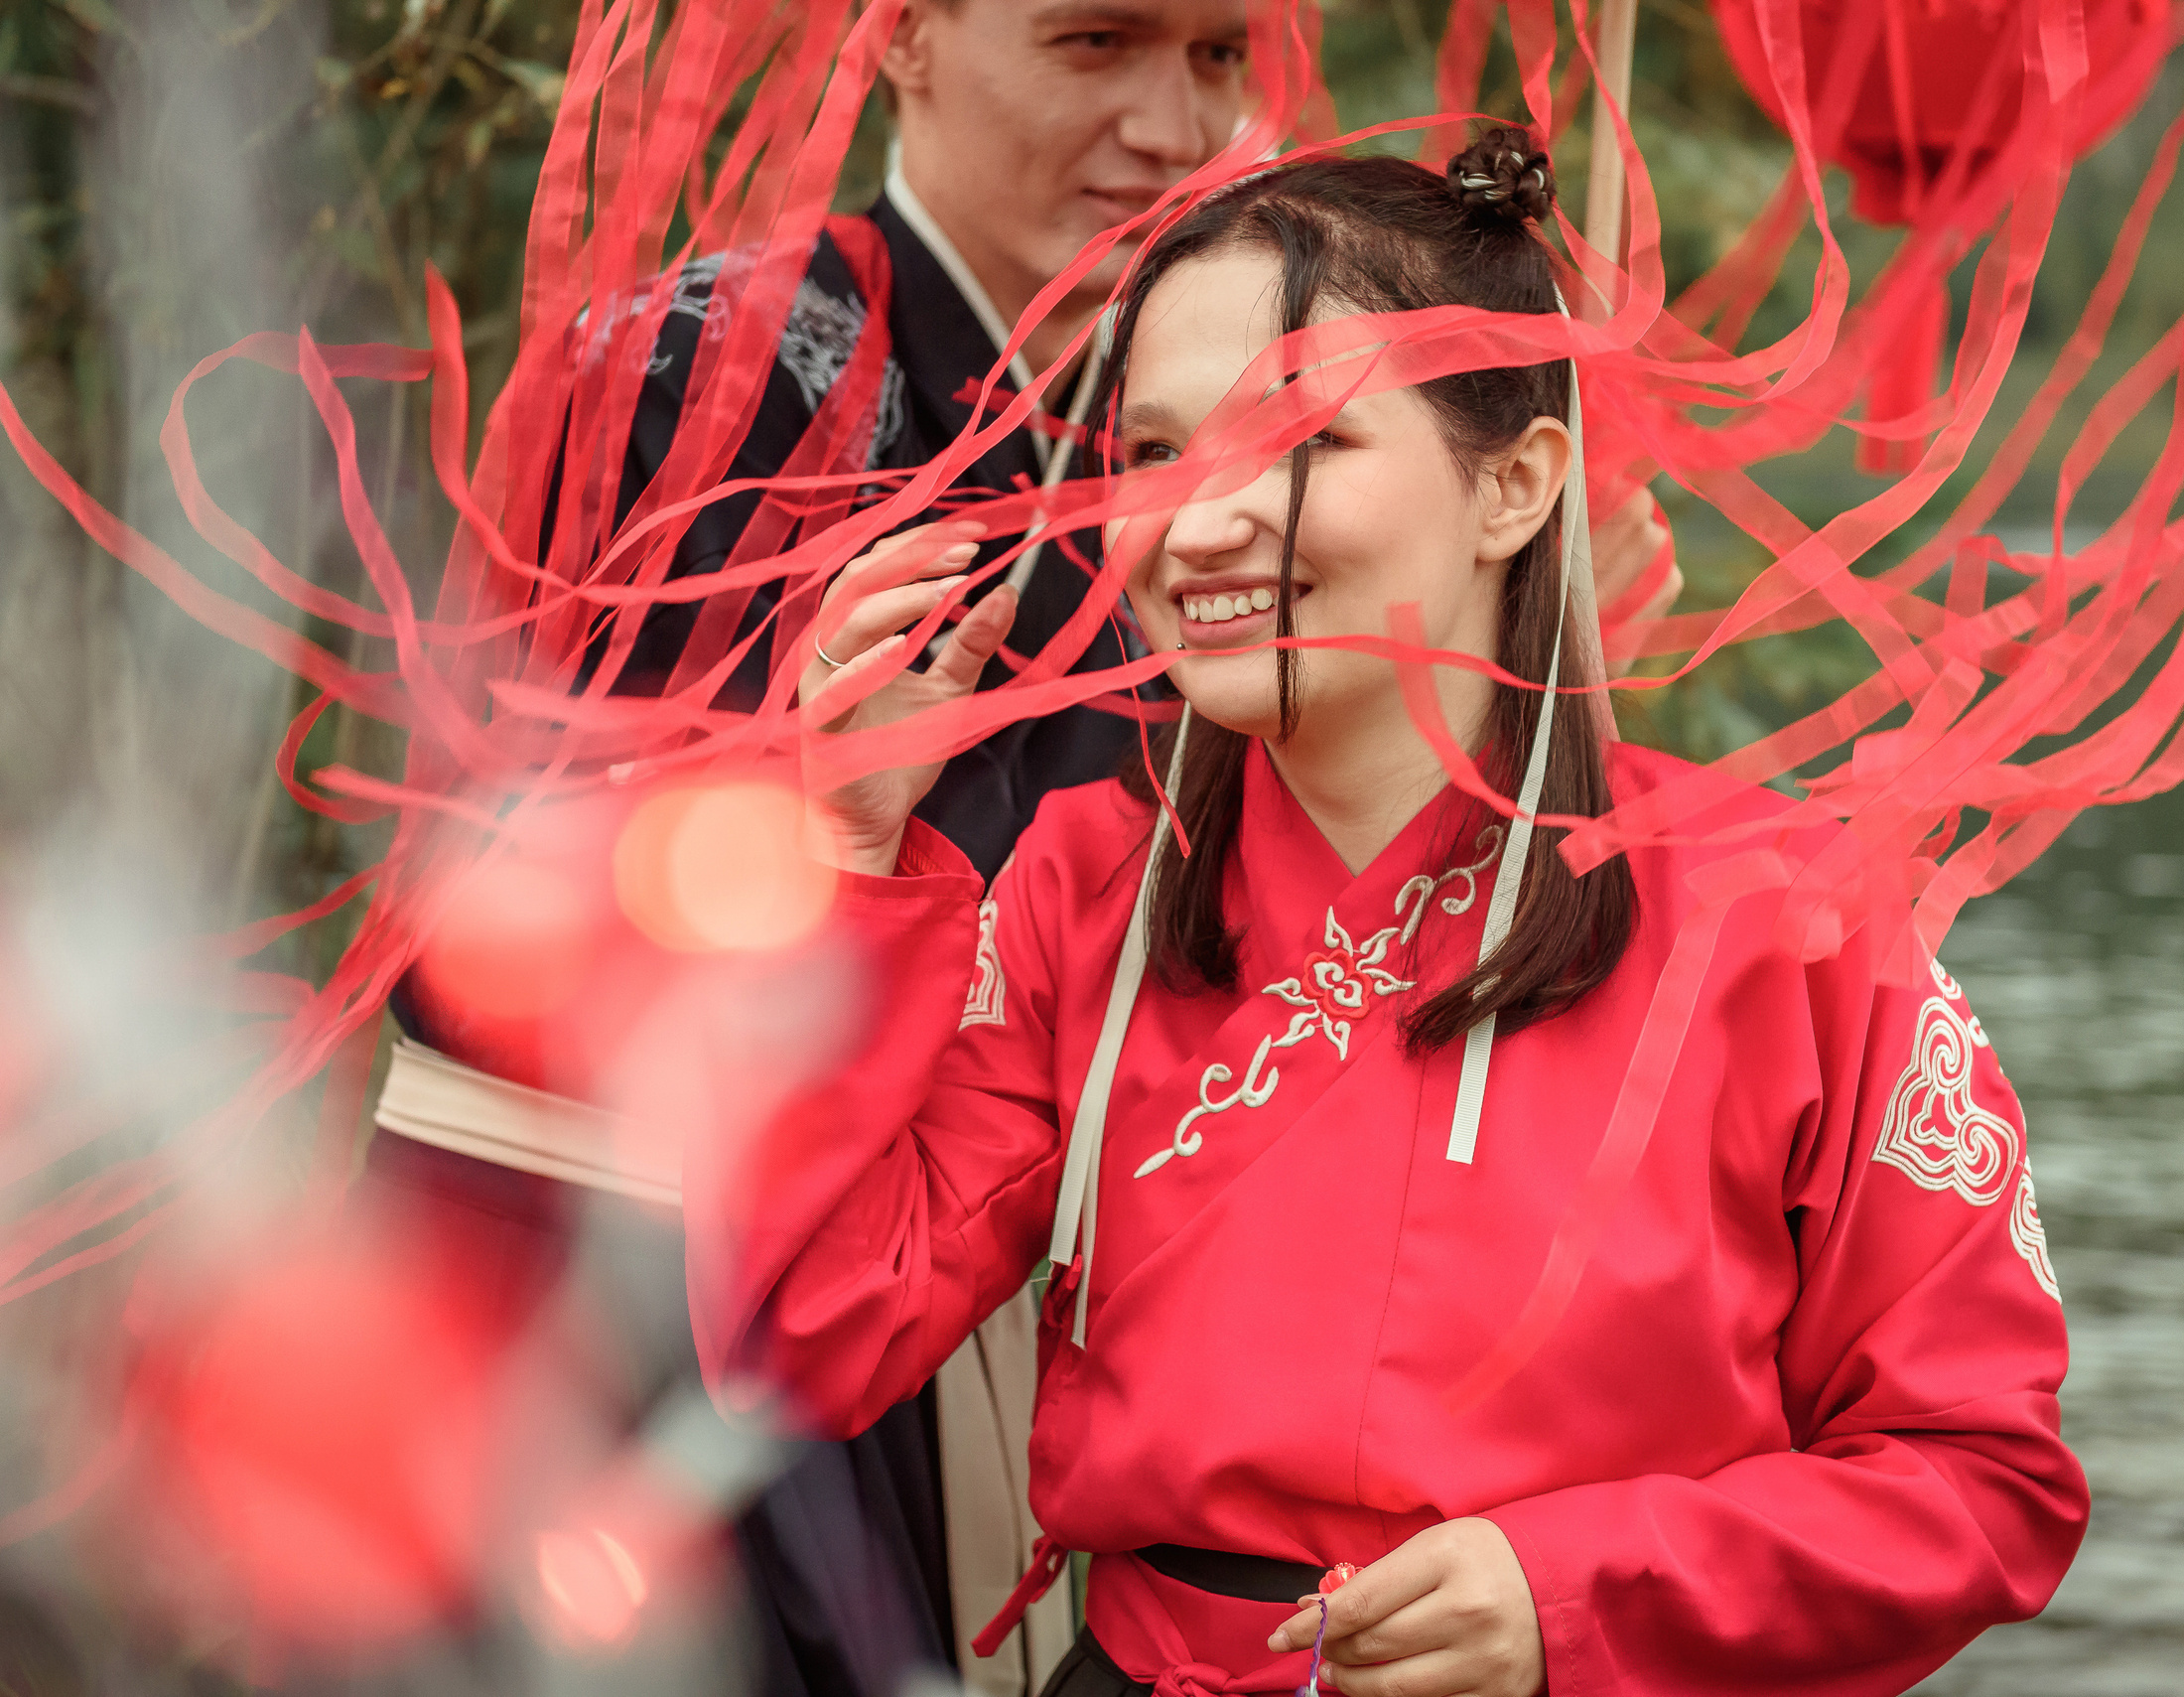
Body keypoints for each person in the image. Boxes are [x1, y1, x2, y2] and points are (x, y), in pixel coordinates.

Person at [359, 4, 1680, 1691]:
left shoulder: (1136, 402)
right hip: (622, 1242)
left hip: (913, 1213)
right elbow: (582, 891)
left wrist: (1481, 648)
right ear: (898, 36)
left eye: (1216, 58)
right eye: (1093, 44)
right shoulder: (718, 366)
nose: (1167, 123)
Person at [695, 134, 2085, 1697]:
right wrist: (842, 858)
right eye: (1151, 453)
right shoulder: (1087, 887)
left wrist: (1571, 1592)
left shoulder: (1790, 912)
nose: (1199, 522)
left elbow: (1983, 1480)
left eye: (1296, 441)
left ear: (1514, 483)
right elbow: (796, 1332)